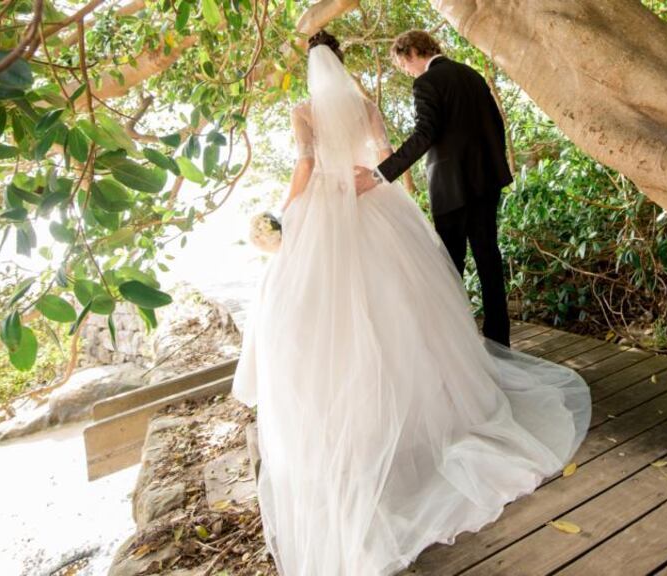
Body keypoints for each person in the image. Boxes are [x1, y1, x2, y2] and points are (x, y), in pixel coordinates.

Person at [231, 30, 591, 576]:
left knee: (334, 312)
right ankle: (477, 359)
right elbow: (381, 153)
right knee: (429, 290)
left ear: (311, 64)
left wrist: (283, 214)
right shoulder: (375, 102)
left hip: (333, 207)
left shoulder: (304, 110)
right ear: (343, 61)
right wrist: (386, 189)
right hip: (392, 200)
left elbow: (305, 168)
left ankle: (365, 425)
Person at [354, 30, 512, 347]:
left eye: (404, 65)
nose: (407, 71)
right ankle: (499, 342)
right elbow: (495, 124)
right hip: (487, 182)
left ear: (412, 51)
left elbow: (424, 135)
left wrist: (378, 175)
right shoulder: (471, 74)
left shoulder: (426, 83)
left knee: (449, 269)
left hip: (452, 189)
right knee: (488, 261)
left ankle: (458, 344)